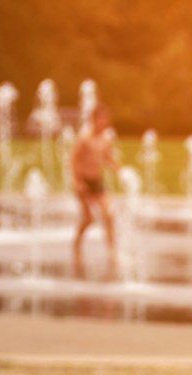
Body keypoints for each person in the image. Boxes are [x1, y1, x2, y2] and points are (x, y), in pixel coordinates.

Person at [69, 104, 119, 280]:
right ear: (93, 120)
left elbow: (107, 157)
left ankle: (113, 251)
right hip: (83, 181)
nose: (103, 122)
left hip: (97, 182)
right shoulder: (84, 139)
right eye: (100, 119)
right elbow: (73, 161)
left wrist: (117, 168)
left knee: (109, 214)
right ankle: (76, 245)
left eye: (105, 119)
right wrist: (77, 182)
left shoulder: (106, 139)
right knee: (88, 218)